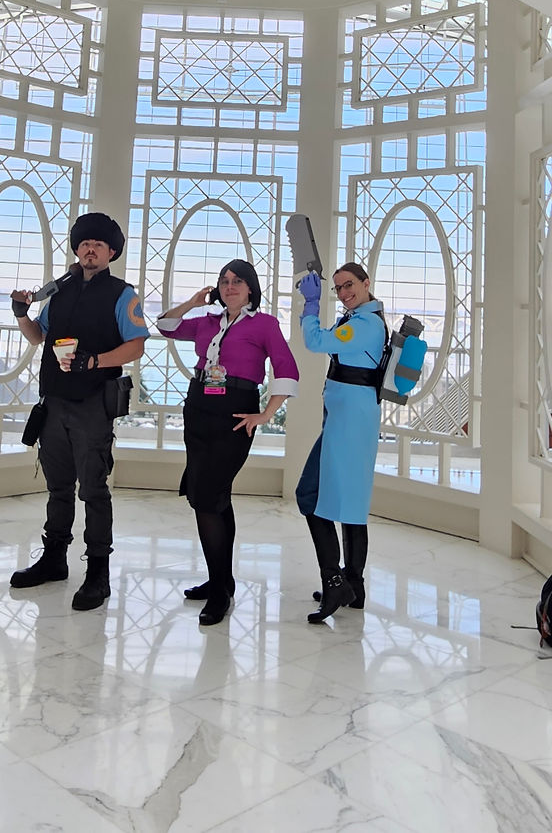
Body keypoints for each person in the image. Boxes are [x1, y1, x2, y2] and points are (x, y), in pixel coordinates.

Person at [8, 212, 148, 610]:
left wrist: (95, 361)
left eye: (98, 245)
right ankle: (54, 559)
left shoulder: (123, 294)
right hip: (53, 402)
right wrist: (21, 314)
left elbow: (136, 345)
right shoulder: (60, 292)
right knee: (57, 487)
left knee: (94, 490)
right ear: (77, 250)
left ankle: (98, 573)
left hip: (92, 404)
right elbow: (39, 337)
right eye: (84, 244)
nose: (90, 249)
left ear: (111, 252)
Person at [157, 259, 299, 626]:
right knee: (216, 498)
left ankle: (220, 591)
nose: (230, 286)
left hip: (234, 413)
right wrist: (192, 302)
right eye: (224, 281)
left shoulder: (265, 324)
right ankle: (222, 578)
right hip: (199, 409)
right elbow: (165, 327)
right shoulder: (206, 322)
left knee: (206, 497)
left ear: (251, 288)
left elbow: (286, 368)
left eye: (238, 281)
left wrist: (266, 415)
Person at [295, 262, 387, 623]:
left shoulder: (366, 324)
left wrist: (311, 307)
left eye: (349, 285)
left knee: (309, 495)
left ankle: (334, 580)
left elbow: (316, 341)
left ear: (366, 284)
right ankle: (353, 585)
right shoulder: (359, 320)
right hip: (349, 418)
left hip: (349, 422)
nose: (344, 292)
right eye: (338, 288)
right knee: (350, 501)